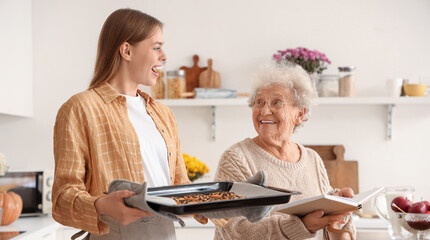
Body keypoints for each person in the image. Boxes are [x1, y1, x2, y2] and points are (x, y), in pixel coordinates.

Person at [52, 8, 190, 240]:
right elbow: (62, 199)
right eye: (156, 47)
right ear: (127, 50)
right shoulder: (80, 109)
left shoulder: (164, 114)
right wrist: (102, 205)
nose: (164, 56)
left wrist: (233, 201)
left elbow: (180, 186)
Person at [214, 61, 356, 240]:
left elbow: (328, 228)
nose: (265, 111)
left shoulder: (312, 158)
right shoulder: (236, 159)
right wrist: (301, 226)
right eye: (259, 102)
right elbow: (234, 228)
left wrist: (339, 206)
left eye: (277, 102)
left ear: (300, 114)